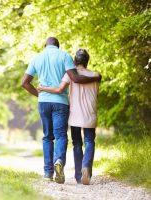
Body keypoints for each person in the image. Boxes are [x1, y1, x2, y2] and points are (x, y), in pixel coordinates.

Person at [22, 37, 101, 184]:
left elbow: (24, 83)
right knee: (62, 136)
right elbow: (76, 80)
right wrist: (97, 77)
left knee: (48, 137)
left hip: (46, 102)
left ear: (45, 45)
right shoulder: (65, 56)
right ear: (58, 46)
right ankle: (64, 163)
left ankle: (48, 172)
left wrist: (40, 93)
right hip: (63, 104)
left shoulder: (37, 58)